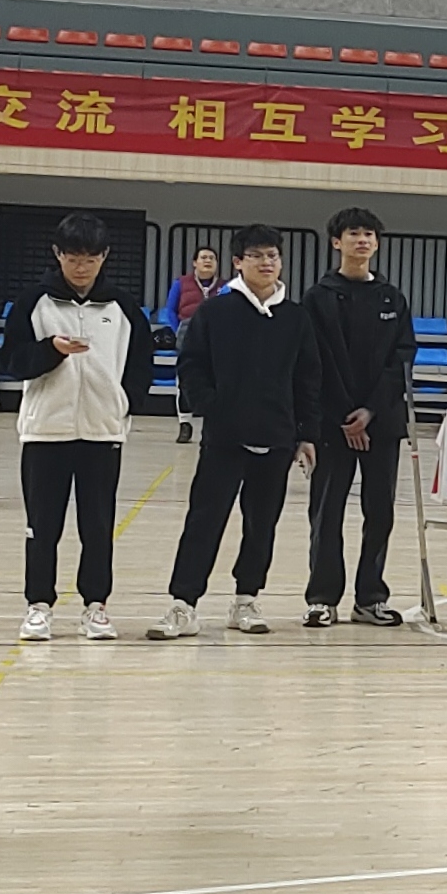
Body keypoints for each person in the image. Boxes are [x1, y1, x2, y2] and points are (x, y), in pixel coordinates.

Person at [153, 224, 317, 640]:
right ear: (238, 262)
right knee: (204, 521)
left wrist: (305, 433)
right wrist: (212, 407)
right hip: (224, 439)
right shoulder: (215, 312)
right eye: (257, 255)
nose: (267, 263)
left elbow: (308, 378)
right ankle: (183, 604)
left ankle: (246, 599)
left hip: (276, 439)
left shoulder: (296, 318)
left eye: (273, 256)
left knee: (262, 525)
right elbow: (192, 365)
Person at [12, 214, 153, 643]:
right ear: (58, 254)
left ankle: (96, 607)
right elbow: (13, 361)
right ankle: (39, 606)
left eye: (90, 259)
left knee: (97, 526)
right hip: (45, 432)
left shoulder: (123, 307)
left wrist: (123, 404)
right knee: (42, 527)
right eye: (73, 258)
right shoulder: (33, 302)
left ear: (104, 257)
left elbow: (141, 365)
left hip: (102, 433)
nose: (81, 267)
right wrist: (50, 351)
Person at [301, 208, 415, 628]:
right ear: (337, 242)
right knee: (326, 512)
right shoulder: (318, 297)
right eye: (353, 233)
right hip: (332, 426)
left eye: (369, 233)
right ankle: (322, 598)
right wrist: (345, 415)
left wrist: (370, 410)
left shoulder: (392, 298)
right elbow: (315, 361)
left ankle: (370, 598)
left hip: (381, 423)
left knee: (380, 512)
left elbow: (401, 358)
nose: (362, 240)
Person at [168, 246, 221, 442]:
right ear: (194, 262)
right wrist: (177, 331)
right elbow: (170, 310)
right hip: (187, 332)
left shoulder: (225, 287)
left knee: (215, 380)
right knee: (185, 380)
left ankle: (212, 424)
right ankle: (185, 424)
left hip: (215, 337)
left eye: (212, 258)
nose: (208, 261)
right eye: (203, 257)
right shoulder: (181, 283)